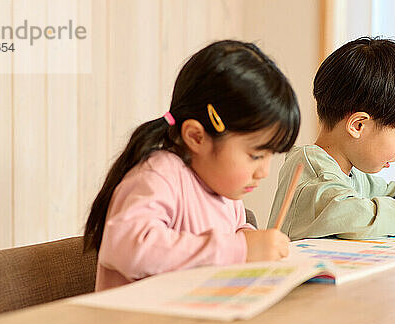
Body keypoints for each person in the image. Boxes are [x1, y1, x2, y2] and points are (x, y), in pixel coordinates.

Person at [85, 40, 300, 291]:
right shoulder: (160, 175)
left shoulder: (224, 188)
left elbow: (233, 232)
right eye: (255, 156)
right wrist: (240, 248)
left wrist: (248, 236)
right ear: (197, 137)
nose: (264, 172)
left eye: (270, 156)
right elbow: (127, 247)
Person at [268, 37, 395, 240]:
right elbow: (358, 216)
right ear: (358, 125)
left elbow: (389, 193)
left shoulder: (350, 173)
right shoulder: (312, 170)